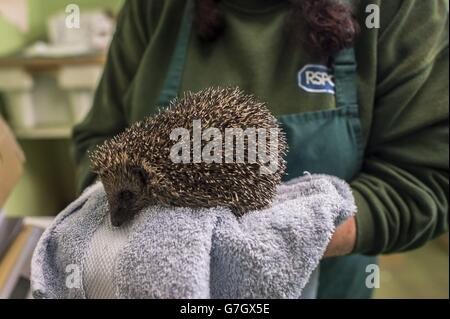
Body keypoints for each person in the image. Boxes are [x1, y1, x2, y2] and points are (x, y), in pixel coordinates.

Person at [73, 0, 449, 298]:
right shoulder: (153, 7)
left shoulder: (401, 9)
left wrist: (280, 238)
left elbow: (423, 181)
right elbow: (100, 138)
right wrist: (141, 232)